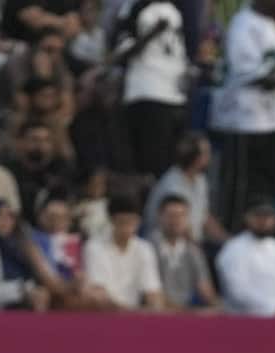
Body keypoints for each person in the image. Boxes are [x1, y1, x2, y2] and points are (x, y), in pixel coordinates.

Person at [210, 0, 275, 230]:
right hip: (242, 119)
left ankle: (263, 229)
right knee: (240, 184)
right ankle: (234, 230)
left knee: (265, 181)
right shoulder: (243, 25)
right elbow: (247, 73)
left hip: (269, 119)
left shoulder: (269, 24)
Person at [114, 0, 188, 178]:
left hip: (175, 95)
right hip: (147, 91)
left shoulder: (175, 9)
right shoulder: (135, 7)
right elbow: (121, 53)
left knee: (174, 165)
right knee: (152, 165)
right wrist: (151, 33)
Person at [214, 196, 275, 316]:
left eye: (268, 216)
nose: (264, 221)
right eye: (258, 216)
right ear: (246, 217)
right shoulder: (233, 250)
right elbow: (237, 292)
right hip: (250, 320)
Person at [82, 194, 164, 311]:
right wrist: (129, 311)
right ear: (112, 221)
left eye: (131, 222)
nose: (127, 228)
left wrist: (155, 308)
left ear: (138, 221)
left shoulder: (145, 249)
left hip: (134, 315)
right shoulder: (94, 247)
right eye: (122, 222)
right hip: (104, 314)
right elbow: (98, 292)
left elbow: (152, 291)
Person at [152, 193, 219, 311]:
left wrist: (217, 306)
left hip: (184, 313)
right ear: (160, 216)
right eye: (171, 215)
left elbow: (204, 288)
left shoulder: (194, 250)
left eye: (181, 215)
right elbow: (150, 292)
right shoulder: (148, 247)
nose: (176, 220)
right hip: (153, 311)